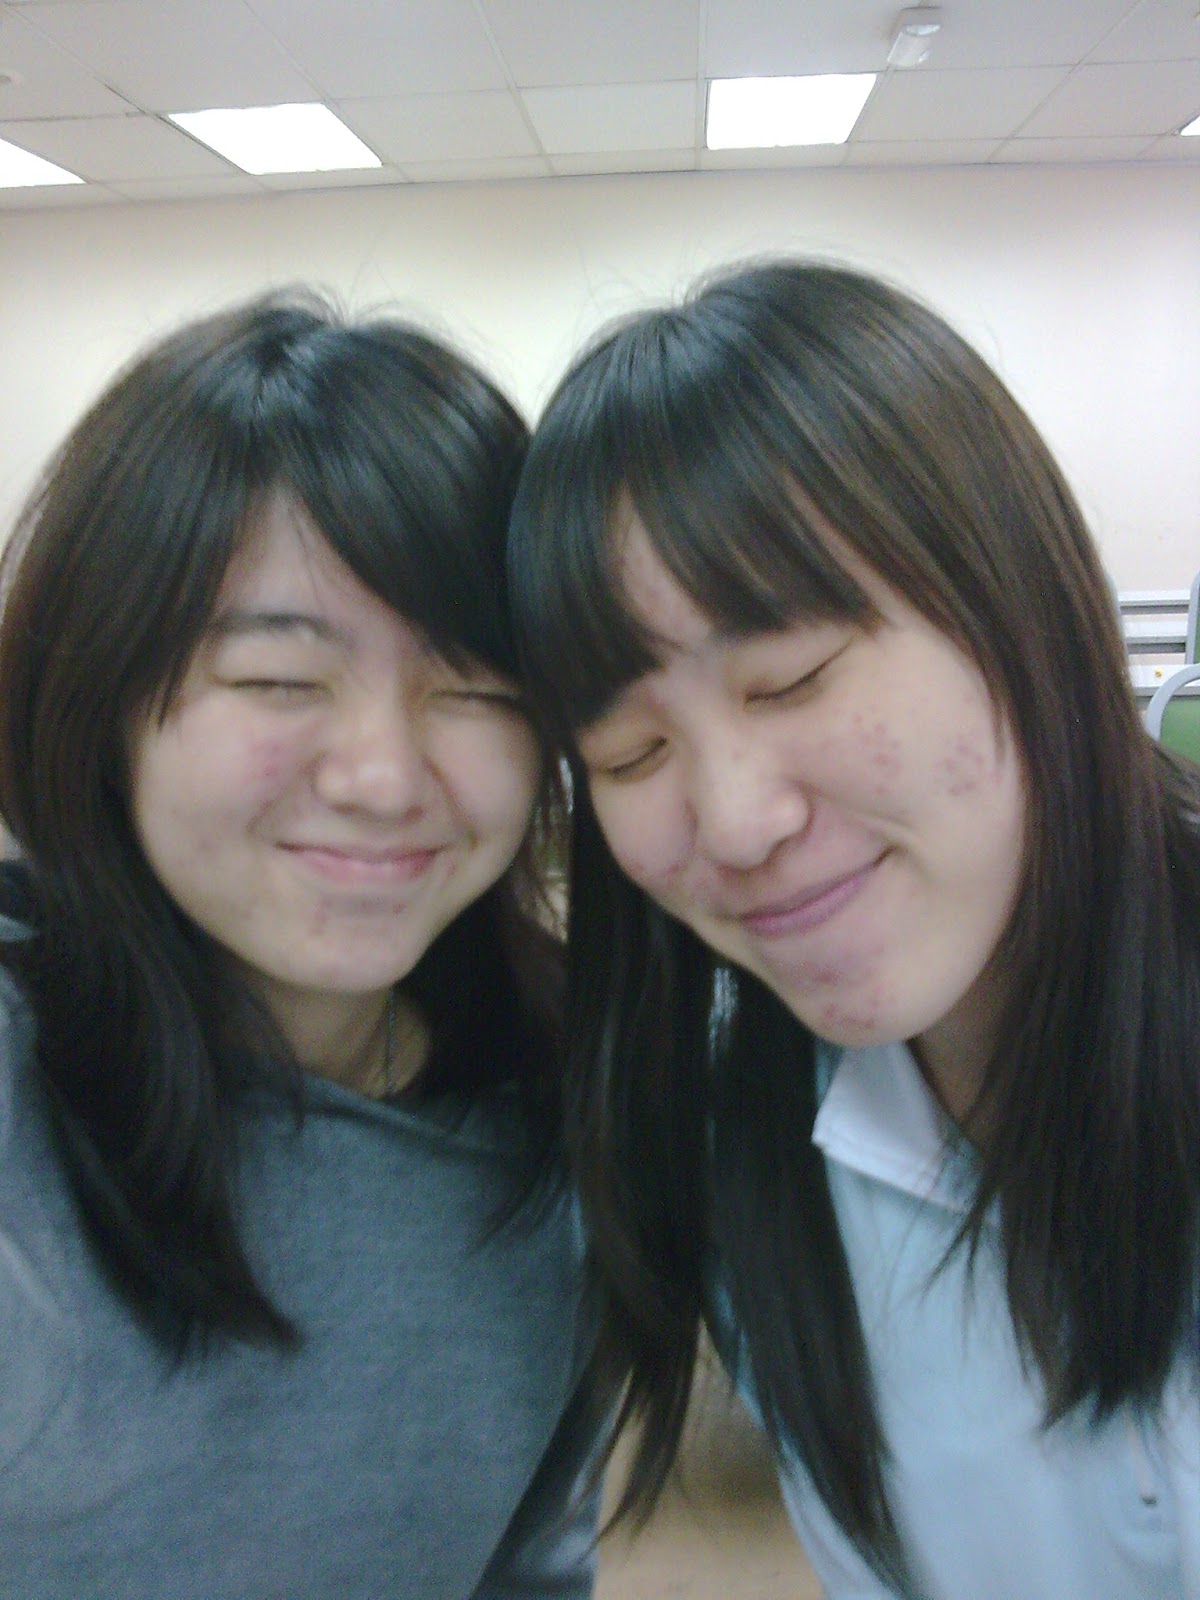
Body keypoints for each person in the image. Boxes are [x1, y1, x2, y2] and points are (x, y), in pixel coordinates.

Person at [505, 260, 1200, 1600]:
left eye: (793, 678)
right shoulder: (738, 1166)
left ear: (1019, 603)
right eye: (630, 753)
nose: (736, 821)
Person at [0, 292, 599, 1599]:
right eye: (279, 681)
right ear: (99, 701)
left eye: (476, 688)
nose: (384, 779)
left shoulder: (562, 1117)